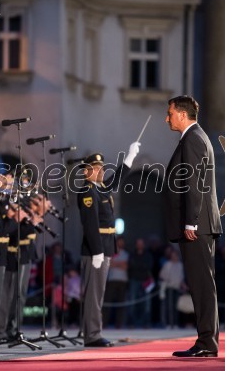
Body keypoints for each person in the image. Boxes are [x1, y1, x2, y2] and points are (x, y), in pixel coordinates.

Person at [164, 95, 222, 357]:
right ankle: (206, 340)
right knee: (201, 284)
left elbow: (195, 183)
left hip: (197, 225)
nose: (167, 118)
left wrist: (191, 221)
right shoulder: (195, 137)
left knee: (201, 284)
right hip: (199, 224)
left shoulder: (193, 139)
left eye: (170, 113)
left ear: (182, 115)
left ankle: (207, 343)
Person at [77, 141, 140, 347]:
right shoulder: (87, 192)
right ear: (87, 172)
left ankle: (93, 332)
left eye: (102, 168)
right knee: (94, 294)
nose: (101, 171)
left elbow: (117, 179)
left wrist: (130, 158)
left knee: (98, 293)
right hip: (96, 249)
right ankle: (92, 335)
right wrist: (96, 251)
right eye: (96, 169)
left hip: (104, 247)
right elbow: (90, 224)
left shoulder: (100, 189)